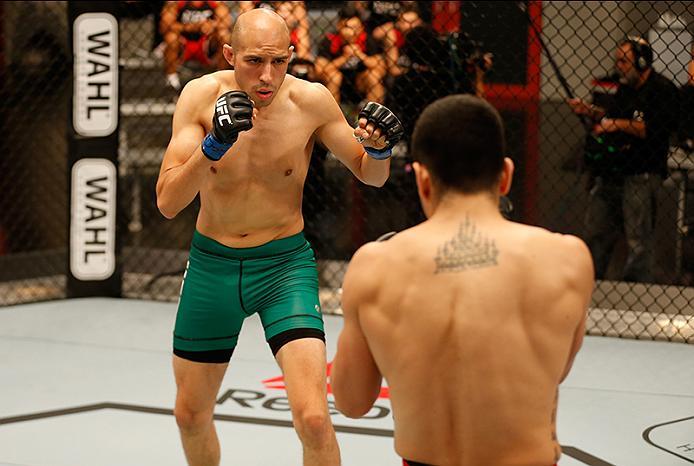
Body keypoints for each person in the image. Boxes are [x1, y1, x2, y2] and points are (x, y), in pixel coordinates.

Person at [155, 8, 403, 466]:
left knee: (313, 419)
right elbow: (168, 200)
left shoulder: (311, 101)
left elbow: (372, 175)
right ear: (229, 55)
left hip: (284, 268)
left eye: (278, 62)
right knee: (190, 414)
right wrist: (213, 147)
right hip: (213, 266)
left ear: (292, 55)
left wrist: (381, 149)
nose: (266, 76)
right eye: (252, 61)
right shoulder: (199, 97)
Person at [331, 94, 594, 466]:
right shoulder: (569, 259)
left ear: (423, 180)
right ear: (505, 176)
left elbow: (352, 401)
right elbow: (556, 371)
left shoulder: (375, 265)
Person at [568, 37, 679, 282]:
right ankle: (593, 283)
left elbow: (653, 129)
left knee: (638, 239)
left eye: (624, 61)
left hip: (642, 171)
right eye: (618, 60)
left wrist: (615, 124)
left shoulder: (662, 90)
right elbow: (611, 114)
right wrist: (589, 110)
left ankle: (635, 290)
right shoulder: (626, 88)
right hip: (613, 170)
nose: (619, 66)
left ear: (641, 62)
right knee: (596, 232)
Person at [315, 5, 387, 105]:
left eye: (356, 28)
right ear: (339, 26)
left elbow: (382, 69)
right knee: (335, 76)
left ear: (362, 27)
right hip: (335, 85)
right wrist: (344, 58)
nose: (352, 32)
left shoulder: (368, 40)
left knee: (373, 75)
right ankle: (333, 118)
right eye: (348, 28)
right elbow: (319, 71)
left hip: (359, 83)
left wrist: (360, 55)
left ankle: (373, 118)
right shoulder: (329, 40)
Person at [160, 1, 232, 90]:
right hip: (183, 42)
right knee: (171, 37)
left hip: (207, 42)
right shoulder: (177, 3)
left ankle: (222, 80)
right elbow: (164, 26)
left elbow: (226, 23)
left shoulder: (215, 2)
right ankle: (171, 82)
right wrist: (190, 27)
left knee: (224, 36)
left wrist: (212, 25)